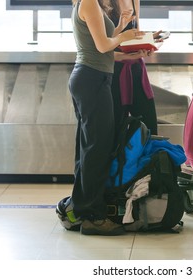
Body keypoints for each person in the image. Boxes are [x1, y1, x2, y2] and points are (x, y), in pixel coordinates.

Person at [57, 0, 145, 236]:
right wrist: (124, 37)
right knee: (97, 147)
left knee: (89, 147)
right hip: (92, 80)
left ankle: (80, 208)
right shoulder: (88, 3)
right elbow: (104, 45)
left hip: (92, 78)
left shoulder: (88, 4)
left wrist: (124, 34)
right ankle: (93, 217)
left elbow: (102, 46)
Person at [109, 0, 160, 136]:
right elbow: (100, 45)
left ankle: (148, 157)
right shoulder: (101, 3)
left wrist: (149, 41)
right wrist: (128, 55)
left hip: (136, 70)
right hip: (112, 73)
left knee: (149, 126)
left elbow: (134, 34)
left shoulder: (134, 1)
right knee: (115, 128)